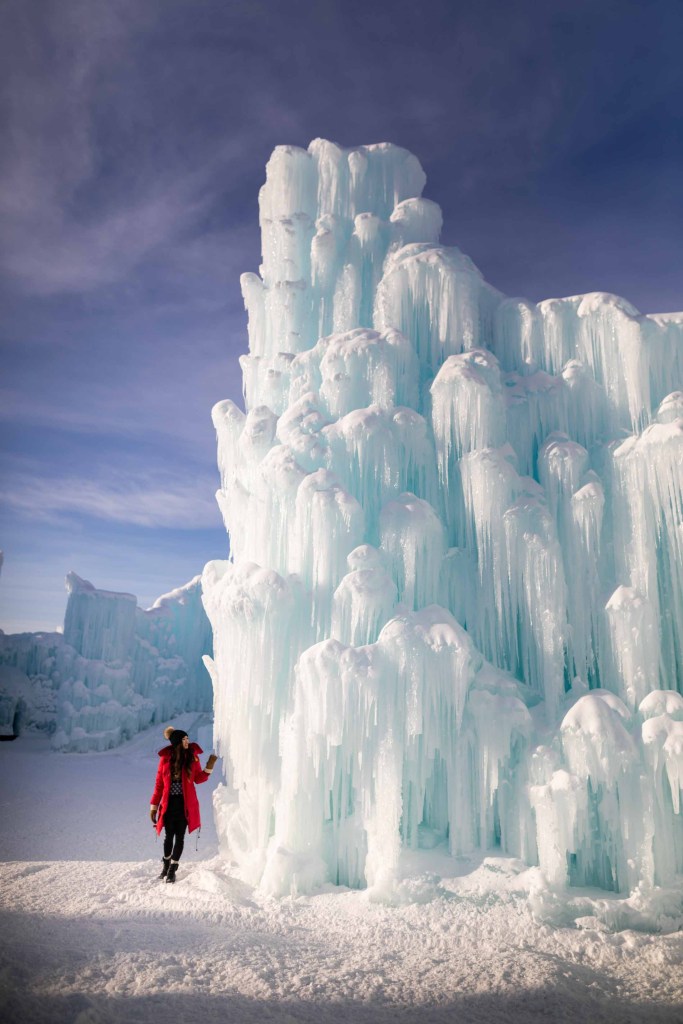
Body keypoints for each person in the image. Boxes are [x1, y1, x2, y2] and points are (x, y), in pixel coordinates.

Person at [150, 726, 218, 883]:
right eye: (184, 739)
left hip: (185, 805)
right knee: (168, 837)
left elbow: (198, 779)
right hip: (168, 805)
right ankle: (166, 865)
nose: (188, 741)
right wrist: (154, 805)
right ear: (177, 742)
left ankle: (173, 869)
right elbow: (159, 784)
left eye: (188, 738)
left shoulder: (192, 757)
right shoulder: (165, 760)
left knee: (180, 837)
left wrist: (210, 766)